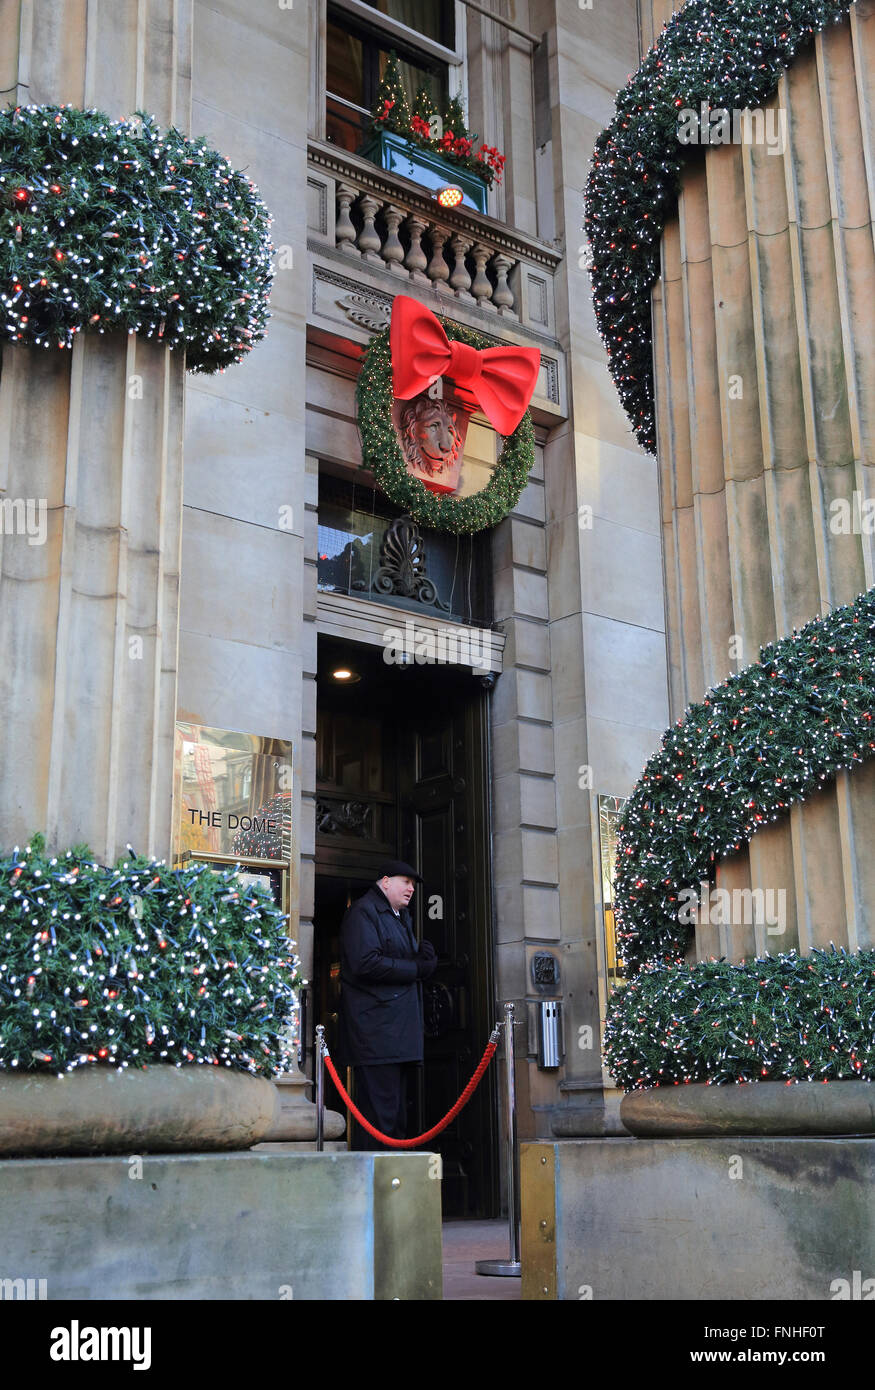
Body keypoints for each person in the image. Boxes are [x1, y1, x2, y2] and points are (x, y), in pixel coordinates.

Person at [337, 859, 438, 1150]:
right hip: (376, 1037)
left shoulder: (400, 917)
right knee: (379, 1123)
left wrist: (423, 961)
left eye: (413, 885)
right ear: (385, 882)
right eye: (405, 881)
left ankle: (392, 1190)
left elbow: (401, 964)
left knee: (396, 1122)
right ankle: (374, 1193)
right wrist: (416, 968)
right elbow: (365, 964)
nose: (411, 889)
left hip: (398, 1035)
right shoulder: (362, 912)